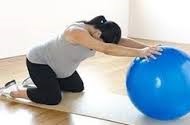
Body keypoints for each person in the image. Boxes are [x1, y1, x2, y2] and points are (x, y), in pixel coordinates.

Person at [9, 15, 162, 105]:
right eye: (104, 41)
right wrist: (140, 53)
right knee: (53, 98)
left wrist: (148, 48)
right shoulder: (76, 32)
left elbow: (120, 41)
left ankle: (40, 82)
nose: (105, 44)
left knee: (77, 87)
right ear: (97, 34)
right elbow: (107, 49)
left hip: (59, 68)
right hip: (40, 62)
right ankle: (13, 91)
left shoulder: (99, 32)